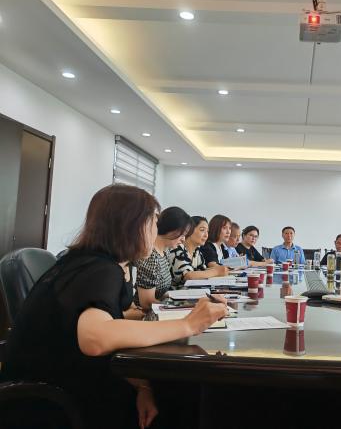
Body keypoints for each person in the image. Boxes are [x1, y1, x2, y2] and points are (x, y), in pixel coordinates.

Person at [2, 184, 228, 429]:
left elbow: (109, 329)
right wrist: (188, 325)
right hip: (50, 404)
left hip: (56, 387)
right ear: (131, 225)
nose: (156, 231)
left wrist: (142, 386)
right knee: (182, 398)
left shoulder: (87, 262)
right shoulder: (99, 269)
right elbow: (95, 339)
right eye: (153, 222)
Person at [134, 207, 191, 310]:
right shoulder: (150, 257)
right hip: (144, 313)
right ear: (170, 229)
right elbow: (147, 304)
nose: (183, 239)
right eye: (181, 234)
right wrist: (178, 307)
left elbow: (160, 293)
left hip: (160, 307)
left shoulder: (166, 252)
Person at [169, 216, 230, 285]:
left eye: (207, 231)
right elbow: (188, 276)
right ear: (189, 230)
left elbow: (202, 271)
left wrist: (221, 269)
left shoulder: (197, 251)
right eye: (202, 230)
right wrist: (217, 271)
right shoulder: (178, 248)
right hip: (176, 291)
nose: (206, 235)